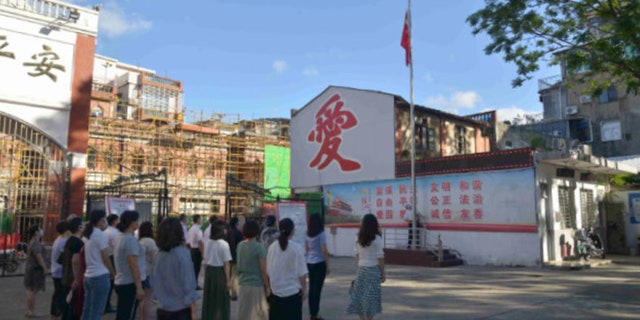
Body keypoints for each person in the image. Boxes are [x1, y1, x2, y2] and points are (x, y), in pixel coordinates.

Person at [152, 217, 199, 320]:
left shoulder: (158, 255)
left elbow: (154, 281)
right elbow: (189, 283)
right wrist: (194, 311)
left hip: (162, 308)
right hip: (180, 309)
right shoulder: (183, 254)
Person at [266, 218, 308, 320]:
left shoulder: (272, 247)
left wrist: (269, 287)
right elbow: (302, 273)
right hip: (292, 295)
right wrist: (305, 289)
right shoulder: (297, 248)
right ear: (293, 230)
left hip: (276, 295)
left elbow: (268, 270)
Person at [347, 214, 385, 320]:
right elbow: (380, 257)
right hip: (373, 270)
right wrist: (383, 272)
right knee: (371, 299)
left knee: (359, 297)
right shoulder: (377, 238)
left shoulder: (359, 237)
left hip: (362, 269)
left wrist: (358, 269)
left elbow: (357, 255)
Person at [81, 210, 116, 320]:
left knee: (87, 309)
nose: (105, 221)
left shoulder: (87, 234)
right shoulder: (99, 235)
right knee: (97, 311)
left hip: (88, 275)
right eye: (104, 219)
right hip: (100, 275)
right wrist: (112, 272)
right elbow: (105, 256)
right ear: (101, 220)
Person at [114, 210, 145, 320]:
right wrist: (139, 287)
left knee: (123, 313)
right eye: (136, 220)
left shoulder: (121, 237)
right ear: (132, 222)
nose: (138, 223)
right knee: (127, 314)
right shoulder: (129, 240)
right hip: (129, 283)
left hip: (123, 280)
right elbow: (133, 264)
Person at [236, 220, 269, 320]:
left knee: (244, 313)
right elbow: (263, 269)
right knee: (258, 314)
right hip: (256, 284)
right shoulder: (260, 247)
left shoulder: (240, 245)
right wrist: (267, 286)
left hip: (242, 284)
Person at [201, 220, 232, 320]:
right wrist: (228, 281)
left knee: (209, 298)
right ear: (222, 230)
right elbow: (226, 263)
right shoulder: (224, 244)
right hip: (220, 273)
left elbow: (205, 258)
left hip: (209, 271)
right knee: (221, 299)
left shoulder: (208, 242)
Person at [305, 214, 330, 320]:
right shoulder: (321, 234)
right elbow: (324, 250)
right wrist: (327, 265)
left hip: (310, 263)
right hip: (319, 263)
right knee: (317, 290)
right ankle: (315, 314)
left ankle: (312, 313)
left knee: (311, 289)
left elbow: (306, 249)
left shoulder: (306, 233)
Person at [60, 217, 84, 320]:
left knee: (68, 304)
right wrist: (76, 278)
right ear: (79, 227)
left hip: (66, 275)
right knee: (72, 306)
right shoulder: (78, 242)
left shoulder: (70, 240)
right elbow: (75, 261)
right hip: (72, 277)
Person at [24, 224, 48, 318]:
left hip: (30, 269)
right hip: (34, 270)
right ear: (36, 232)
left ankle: (28, 310)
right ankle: (31, 311)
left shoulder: (32, 242)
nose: (41, 231)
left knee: (30, 290)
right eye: (40, 229)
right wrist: (44, 268)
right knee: (33, 291)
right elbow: (39, 256)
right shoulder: (36, 243)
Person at [138, 221, 158, 320]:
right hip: (148, 272)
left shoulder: (140, 240)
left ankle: (141, 317)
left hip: (142, 272)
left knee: (142, 299)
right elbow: (153, 258)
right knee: (147, 298)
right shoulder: (150, 241)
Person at [50, 220, 69, 320]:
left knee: (57, 294)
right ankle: (57, 314)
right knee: (60, 295)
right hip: (60, 272)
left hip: (56, 270)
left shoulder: (59, 239)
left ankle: (54, 314)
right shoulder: (63, 241)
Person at [103, 214, 120, 314]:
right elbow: (116, 247)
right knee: (112, 281)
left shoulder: (105, 232)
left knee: (110, 282)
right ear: (114, 221)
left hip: (108, 257)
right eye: (117, 220)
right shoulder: (114, 233)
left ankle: (106, 304)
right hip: (112, 258)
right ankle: (107, 305)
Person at [226, 216, 243, 300]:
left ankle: (227, 292)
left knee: (228, 275)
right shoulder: (239, 233)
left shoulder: (227, 233)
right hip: (236, 257)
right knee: (235, 276)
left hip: (227, 257)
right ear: (236, 223)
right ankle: (234, 293)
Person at [187, 214, 204, 290]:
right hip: (197, 250)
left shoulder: (191, 229)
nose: (201, 220)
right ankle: (195, 284)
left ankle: (192, 283)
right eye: (200, 219)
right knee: (196, 268)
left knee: (193, 268)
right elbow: (200, 241)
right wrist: (202, 253)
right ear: (197, 220)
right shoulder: (198, 229)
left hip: (191, 249)